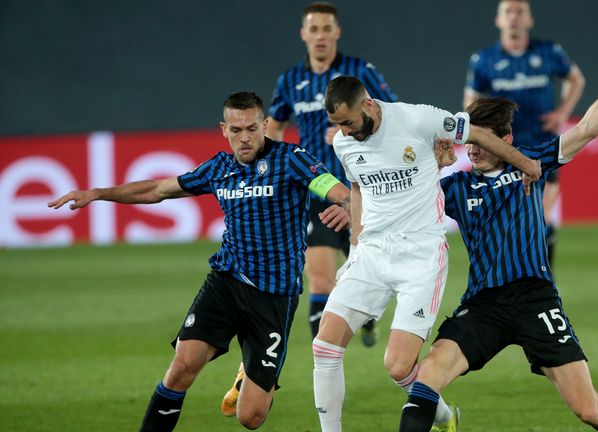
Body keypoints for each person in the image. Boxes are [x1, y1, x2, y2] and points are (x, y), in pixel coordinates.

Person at [47, 92, 352, 431]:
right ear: (224, 130)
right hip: (226, 281)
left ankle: (246, 377)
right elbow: (158, 190)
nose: (245, 137)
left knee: (250, 417)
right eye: (236, 130)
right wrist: (97, 193)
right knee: (182, 367)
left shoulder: (292, 158)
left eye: (252, 128)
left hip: (274, 296)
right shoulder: (218, 169)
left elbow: (338, 190)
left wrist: (347, 204)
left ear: (265, 125)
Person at [399, 45, 598, 432]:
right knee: (425, 379)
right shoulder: (454, 186)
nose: (472, 147)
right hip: (484, 304)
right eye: (469, 140)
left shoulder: (531, 163)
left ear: (505, 139)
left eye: (483, 140)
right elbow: (401, 197)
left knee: (589, 410)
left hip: (535, 300)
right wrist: (426, 166)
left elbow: (588, 128)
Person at [312, 75, 543, 432]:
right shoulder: (344, 144)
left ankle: (445, 416)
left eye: (348, 122)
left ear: (369, 106)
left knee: (398, 367)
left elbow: (479, 134)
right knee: (324, 347)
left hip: (420, 257)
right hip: (372, 253)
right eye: (338, 125)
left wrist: (527, 165)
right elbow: (358, 188)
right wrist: (355, 248)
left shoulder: (418, 119)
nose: (343, 131)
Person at [219, 2, 398, 419]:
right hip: (318, 192)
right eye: (313, 28)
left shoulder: (359, 72)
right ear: (304, 34)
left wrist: (359, 127)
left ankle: (365, 316)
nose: (320, 35)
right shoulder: (291, 80)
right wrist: (269, 163)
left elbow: (391, 114)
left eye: (326, 28)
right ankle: (325, 363)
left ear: (337, 33)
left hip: (363, 190)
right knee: (319, 275)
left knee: (365, 275)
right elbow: (275, 126)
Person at [464, 0, 586, 265]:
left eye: (520, 12)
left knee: (541, 219)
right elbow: (469, 103)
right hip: (503, 151)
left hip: (544, 147)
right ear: (498, 20)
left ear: (530, 20)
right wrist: (481, 135)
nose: (514, 18)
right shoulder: (484, 60)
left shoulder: (549, 52)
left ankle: (543, 281)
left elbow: (576, 79)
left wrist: (563, 112)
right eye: (508, 12)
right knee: (506, 223)